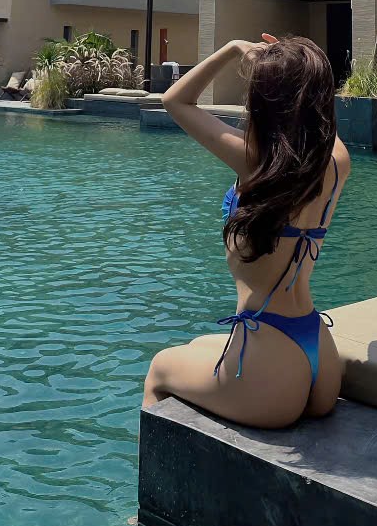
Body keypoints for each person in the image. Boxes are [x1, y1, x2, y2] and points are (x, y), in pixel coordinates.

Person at [143, 33, 350, 429]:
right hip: (319, 354)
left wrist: (233, 49)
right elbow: (320, 115)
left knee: (159, 369)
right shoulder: (337, 163)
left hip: (268, 369)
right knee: (198, 345)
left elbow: (175, 100)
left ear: (263, 100)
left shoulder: (255, 163)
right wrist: (298, 67)